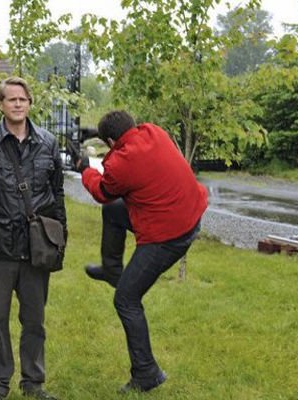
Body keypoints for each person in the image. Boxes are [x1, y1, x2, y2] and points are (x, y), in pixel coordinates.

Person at [71, 111, 207, 393]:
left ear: (111, 141)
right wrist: (97, 139)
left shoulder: (123, 163)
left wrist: (85, 168)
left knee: (126, 299)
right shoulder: (153, 131)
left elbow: (102, 191)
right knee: (114, 211)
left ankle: (147, 373)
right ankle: (112, 269)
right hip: (185, 214)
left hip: (169, 235)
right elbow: (125, 151)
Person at [0, 77, 67, 400]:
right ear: (0, 105)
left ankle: (33, 383)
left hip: (36, 246)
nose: (17, 104)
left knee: (34, 320)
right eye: (11, 99)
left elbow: (57, 193)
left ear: (30, 103)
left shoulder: (48, 142)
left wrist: (60, 238)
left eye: (22, 99)